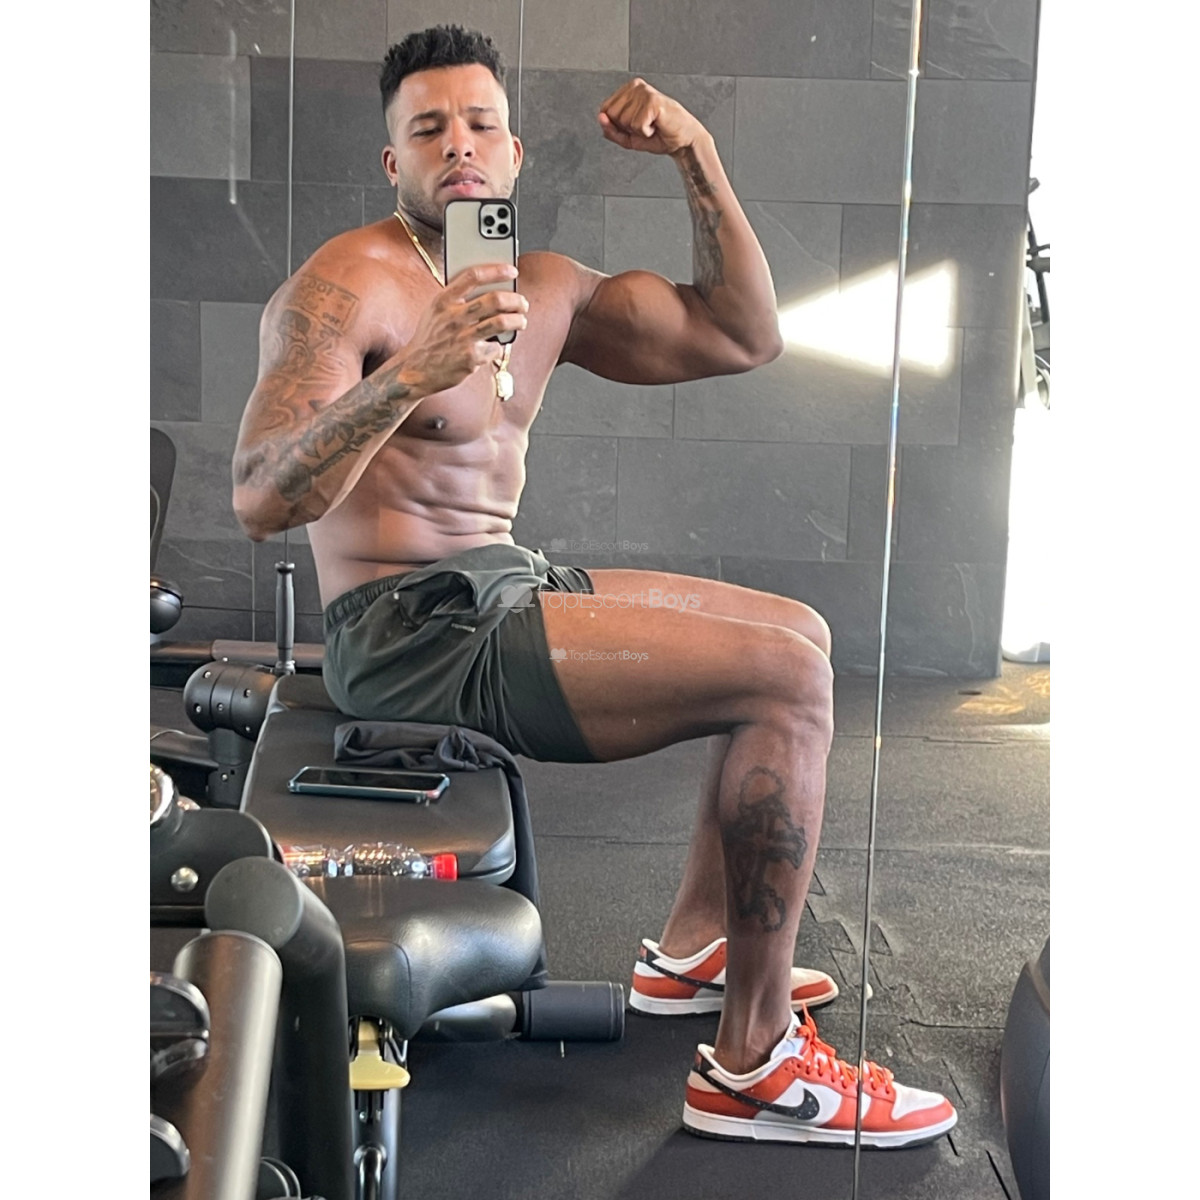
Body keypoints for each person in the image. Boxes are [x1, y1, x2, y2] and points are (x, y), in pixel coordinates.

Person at [232, 25, 955, 1148]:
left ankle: (695, 950)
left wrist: (696, 151)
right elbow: (261, 495)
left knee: (800, 632)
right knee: (786, 684)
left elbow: (744, 334)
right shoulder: (345, 285)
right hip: (408, 629)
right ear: (392, 160)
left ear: (514, 153)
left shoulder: (543, 287)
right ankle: (755, 1063)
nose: (458, 146)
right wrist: (413, 372)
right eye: (429, 129)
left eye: (480, 124)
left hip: (500, 582)